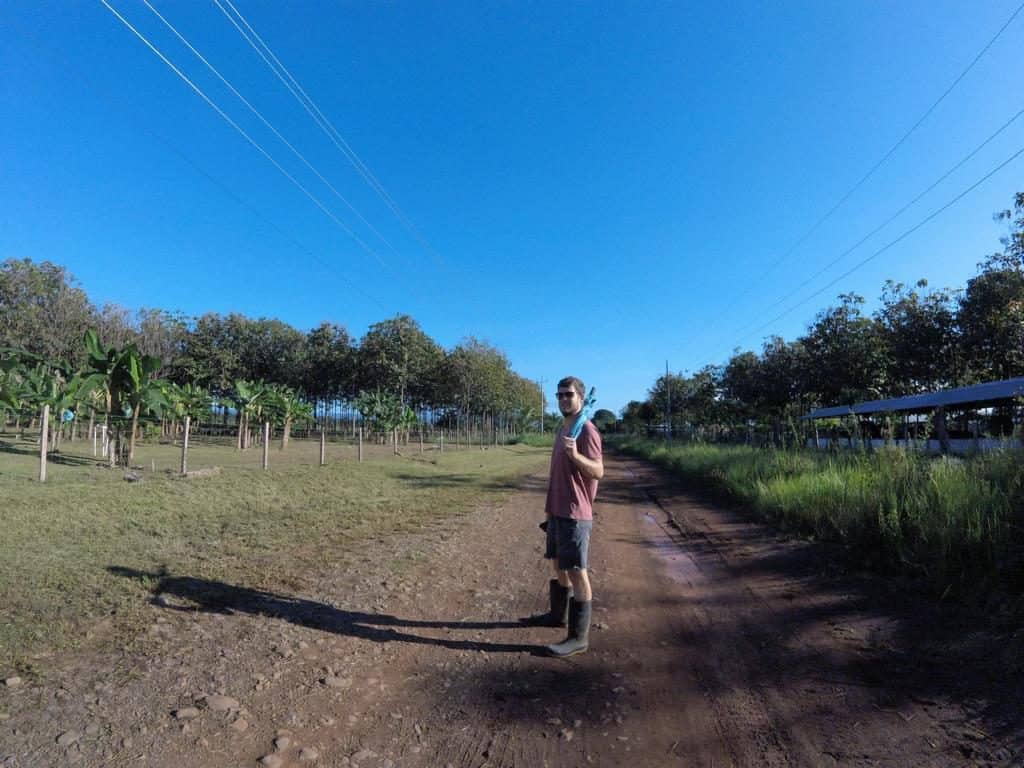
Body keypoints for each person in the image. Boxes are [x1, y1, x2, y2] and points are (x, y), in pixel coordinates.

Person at [521, 375, 604, 657]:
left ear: (580, 397)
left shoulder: (587, 431)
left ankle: (578, 638)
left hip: (576, 512)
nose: (563, 400)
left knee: (577, 571)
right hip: (557, 509)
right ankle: (558, 616)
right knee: (558, 565)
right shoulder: (563, 429)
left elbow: (598, 471)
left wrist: (576, 455)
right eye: (559, 395)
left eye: (568, 394)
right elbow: (556, 473)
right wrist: (548, 507)